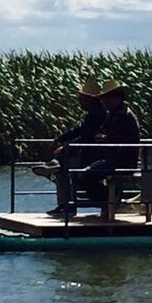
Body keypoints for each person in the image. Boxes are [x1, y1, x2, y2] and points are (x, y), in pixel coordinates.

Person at [64, 79, 142, 217]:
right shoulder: (114, 113)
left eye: (106, 98)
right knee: (82, 174)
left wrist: (104, 139)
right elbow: (101, 132)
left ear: (117, 97)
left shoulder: (124, 116)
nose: (103, 101)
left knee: (86, 175)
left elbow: (117, 140)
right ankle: (109, 201)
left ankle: (110, 200)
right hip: (111, 159)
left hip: (122, 161)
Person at [34, 78, 105, 215]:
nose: (79, 102)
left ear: (90, 99)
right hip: (91, 154)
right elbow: (79, 130)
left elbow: (86, 138)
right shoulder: (94, 113)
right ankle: (55, 167)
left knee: (62, 168)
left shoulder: (96, 115)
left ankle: (66, 205)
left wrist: (65, 148)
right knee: (63, 166)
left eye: (81, 99)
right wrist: (60, 139)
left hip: (93, 156)